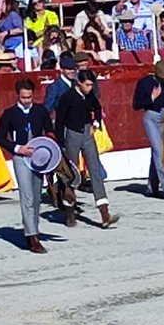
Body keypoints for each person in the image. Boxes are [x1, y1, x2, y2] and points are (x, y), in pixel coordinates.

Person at [53, 69, 120, 229]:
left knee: (95, 170)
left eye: (91, 85)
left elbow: (97, 108)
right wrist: (61, 143)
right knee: (72, 174)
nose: (90, 88)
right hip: (72, 135)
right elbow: (60, 121)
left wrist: (96, 123)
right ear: (79, 83)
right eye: (87, 85)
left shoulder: (89, 95)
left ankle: (105, 214)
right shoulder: (67, 98)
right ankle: (69, 212)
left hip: (87, 133)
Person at [0, 78, 54, 254]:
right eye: (23, 97)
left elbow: (49, 130)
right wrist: (17, 148)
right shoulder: (10, 113)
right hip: (20, 157)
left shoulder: (40, 111)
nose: (26, 101)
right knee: (27, 196)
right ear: (17, 95)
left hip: (38, 158)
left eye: (28, 97)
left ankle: (32, 230)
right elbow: (0, 137)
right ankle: (32, 236)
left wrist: (50, 145)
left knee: (36, 197)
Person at [133, 60, 164, 200]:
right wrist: (152, 97)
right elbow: (136, 104)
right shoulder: (145, 83)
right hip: (150, 118)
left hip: (163, 117)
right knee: (159, 152)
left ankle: (152, 187)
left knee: (157, 153)